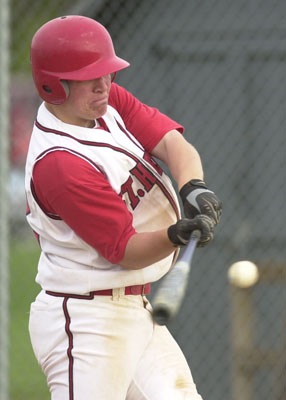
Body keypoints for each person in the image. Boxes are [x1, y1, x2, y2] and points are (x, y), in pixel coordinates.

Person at [25, 15, 222, 400]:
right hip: (86, 322)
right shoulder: (60, 163)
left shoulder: (106, 103)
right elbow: (125, 250)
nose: (104, 84)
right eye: (88, 76)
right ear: (53, 85)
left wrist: (194, 188)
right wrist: (174, 235)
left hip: (135, 308)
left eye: (106, 73)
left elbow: (171, 143)